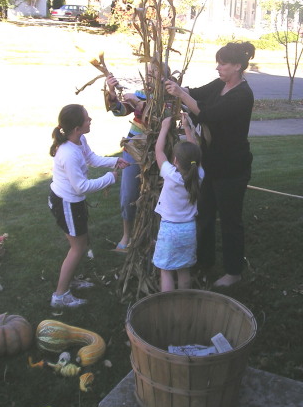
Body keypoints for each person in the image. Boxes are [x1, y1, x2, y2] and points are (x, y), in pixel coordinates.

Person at [165, 41, 255, 287]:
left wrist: (181, 94)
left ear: (237, 66)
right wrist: (176, 87)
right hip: (210, 164)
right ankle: (203, 263)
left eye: (223, 63)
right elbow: (196, 93)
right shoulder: (221, 85)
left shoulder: (242, 95)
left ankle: (233, 272)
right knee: (203, 216)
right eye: (218, 62)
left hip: (232, 168)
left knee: (230, 221)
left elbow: (207, 114)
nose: (218, 68)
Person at [48, 104, 129, 308]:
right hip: (67, 204)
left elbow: (91, 159)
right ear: (77, 127)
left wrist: (114, 162)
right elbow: (80, 187)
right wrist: (109, 179)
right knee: (78, 248)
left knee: (79, 246)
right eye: (86, 118)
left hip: (70, 203)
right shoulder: (68, 153)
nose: (90, 119)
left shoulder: (79, 139)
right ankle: (60, 295)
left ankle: (69, 281)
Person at [153, 113, 204, 291]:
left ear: (175, 161)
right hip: (188, 229)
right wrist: (187, 129)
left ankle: (168, 305)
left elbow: (158, 152)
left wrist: (164, 128)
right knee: (184, 270)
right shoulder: (199, 174)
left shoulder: (170, 175)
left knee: (166, 270)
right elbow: (195, 152)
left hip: (169, 229)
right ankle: (184, 304)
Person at [105, 73, 146, 252]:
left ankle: (151, 233)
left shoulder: (169, 96)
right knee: (129, 194)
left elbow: (158, 116)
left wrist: (138, 102)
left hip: (159, 150)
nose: (150, 77)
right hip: (132, 148)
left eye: (155, 72)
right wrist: (113, 96)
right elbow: (121, 111)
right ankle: (127, 234)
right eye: (149, 73)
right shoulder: (141, 92)